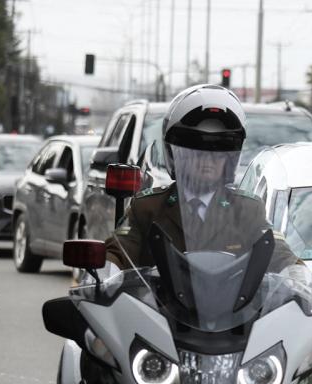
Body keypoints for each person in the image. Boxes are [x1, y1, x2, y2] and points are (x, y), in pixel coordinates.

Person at [105, 84, 299, 273]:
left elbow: (280, 254)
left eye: (218, 149)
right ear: (175, 154)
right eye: (196, 149)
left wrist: (297, 274)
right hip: (155, 306)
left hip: (233, 306)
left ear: (229, 159)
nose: (208, 158)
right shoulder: (147, 207)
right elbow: (117, 253)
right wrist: (105, 269)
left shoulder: (247, 210)